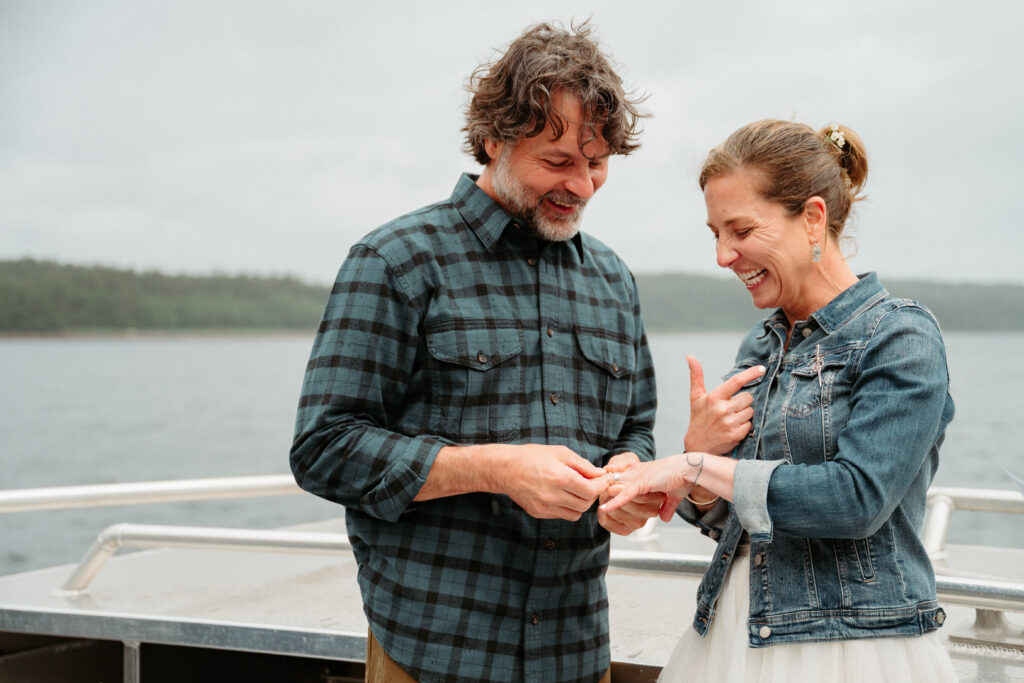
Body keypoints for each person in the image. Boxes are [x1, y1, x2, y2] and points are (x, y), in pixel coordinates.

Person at [290, 21, 720, 683]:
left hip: (576, 651)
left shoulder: (613, 279)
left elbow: (632, 426)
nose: (581, 184)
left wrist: (629, 476)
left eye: (597, 162)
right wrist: (495, 468)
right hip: (433, 651)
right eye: (557, 160)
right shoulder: (395, 261)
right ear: (493, 137)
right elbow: (324, 448)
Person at [602, 119, 958, 682]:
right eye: (715, 233)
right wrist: (696, 466)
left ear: (813, 217)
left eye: (740, 230)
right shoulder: (760, 344)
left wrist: (695, 464)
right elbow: (733, 518)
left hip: (852, 647)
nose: (723, 256)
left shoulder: (900, 336)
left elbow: (856, 500)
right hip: (731, 635)